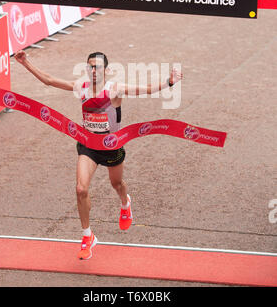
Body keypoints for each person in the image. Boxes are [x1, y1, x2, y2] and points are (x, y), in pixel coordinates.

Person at [14, 50, 183, 260]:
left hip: (112, 146)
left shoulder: (115, 89)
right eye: (91, 66)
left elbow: (147, 89)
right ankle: (88, 236)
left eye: (98, 67)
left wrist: (170, 81)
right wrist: (25, 62)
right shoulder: (81, 87)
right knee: (80, 189)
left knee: (117, 184)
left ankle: (125, 204)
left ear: (107, 70)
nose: (94, 70)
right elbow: (49, 81)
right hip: (89, 145)